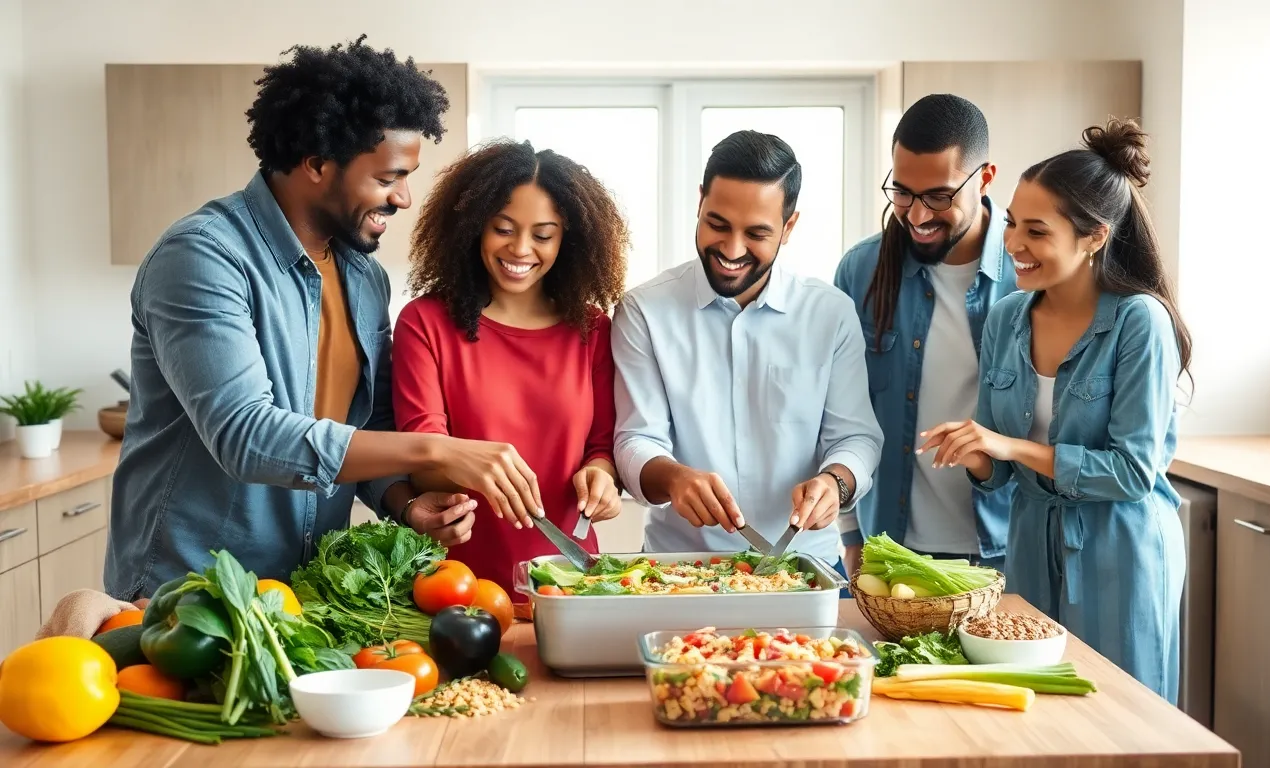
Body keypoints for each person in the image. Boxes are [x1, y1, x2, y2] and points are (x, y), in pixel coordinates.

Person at [105, 38, 543, 602]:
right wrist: (438, 450)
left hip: (298, 595)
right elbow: (244, 434)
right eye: (387, 179)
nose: (404, 198)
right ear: (316, 164)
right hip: (183, 597)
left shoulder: (363, 278)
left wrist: (403, 503)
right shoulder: (203, 256)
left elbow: (364, 428)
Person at [917, 118, 1192, 703]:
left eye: (1036, 231)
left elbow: (1132, 473)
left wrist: (1007, 446)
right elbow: (1001, 477)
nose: (1012, 243)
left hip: (1122, 548)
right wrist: (976, 455)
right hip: (1031, 541)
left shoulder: (1140, 322)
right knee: (1037, 711)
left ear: (1094, 237)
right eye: (1013, 223)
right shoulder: (1006, 317)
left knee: (1124, 717)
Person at [612, 130, 883, 578]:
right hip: (678, 569)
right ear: (699, 203)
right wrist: (675, 477)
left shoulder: (830, 313)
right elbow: (635, 438)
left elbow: (856, 437)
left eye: (756, 233)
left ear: (789, 227)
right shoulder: (645, 310)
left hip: (808, 565)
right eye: (717, 224)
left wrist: (835, 481)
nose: (732, 250)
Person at [391, 138, 631, 602]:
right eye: (503, 228)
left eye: (543, 235)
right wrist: (476, 468)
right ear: (474, 226)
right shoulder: (425, 324)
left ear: (569, 239)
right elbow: (422, 459)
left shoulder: (592, 330)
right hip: (456, 584)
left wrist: (603, 477)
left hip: (570, 582)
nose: (521, 249)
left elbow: (601, 447)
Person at [833, 94, 1016, 577]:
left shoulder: (1029, 273)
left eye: (939, 196)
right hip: (889, 549)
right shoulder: (861, 270)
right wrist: (849, 534)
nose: (916, 215)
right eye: (902, 192)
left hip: (1008, 549)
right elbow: (839, 410)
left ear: (986, 178)